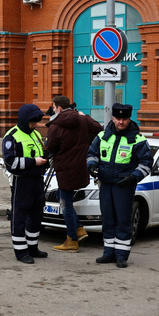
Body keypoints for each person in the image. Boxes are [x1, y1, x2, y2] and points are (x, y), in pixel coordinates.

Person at [86, 103, 153, 268]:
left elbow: (146, 163)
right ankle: (108, 253)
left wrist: (133, 178)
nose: (121, 122)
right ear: (113, 118)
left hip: (124, 186)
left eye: (124, 119)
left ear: (129, 119)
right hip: (105, 184)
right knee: (108, 219)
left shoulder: (138, 139)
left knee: (123, 220)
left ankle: (122, 255)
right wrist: (92, 166)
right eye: (118, 118)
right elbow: (91, 153)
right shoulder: (102, 136)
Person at [45, 96, 103, 252]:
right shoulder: (82, 119)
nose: (53, 110)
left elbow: (50, 147)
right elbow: (99, 129)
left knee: (65, 204)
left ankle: (72, 239)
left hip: (64, 168)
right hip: (80, 166)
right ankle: (78, 229)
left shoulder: (56, 125)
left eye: (54, 107)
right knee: (62, 197)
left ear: (59, 109)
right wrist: (86, 116)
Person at [3, 104, 49, 264]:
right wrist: (34, 162)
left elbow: (40, 153)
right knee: (20, 215)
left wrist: (45, 159)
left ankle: (32, 247)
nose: (35, 125)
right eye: (32, 122)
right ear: (24, 120)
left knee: (36, 214)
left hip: (37, 180)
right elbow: (10, 162)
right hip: (21, 181)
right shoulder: (12, 136)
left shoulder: (36, 134)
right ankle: (21, 251)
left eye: (36, 122)